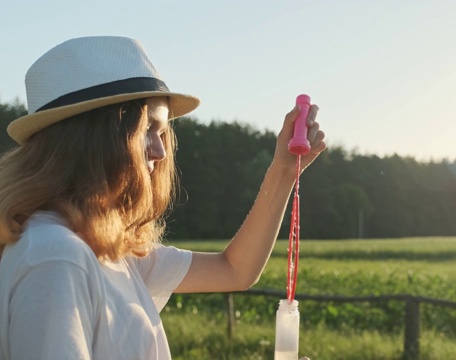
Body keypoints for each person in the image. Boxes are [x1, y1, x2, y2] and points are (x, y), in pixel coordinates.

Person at [0, 36, 325, 360]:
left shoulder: (109, 250)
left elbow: (233, 269)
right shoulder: (57, 256)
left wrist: (284, 172)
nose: (161, 150)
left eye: (163, 132)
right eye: (147, 129)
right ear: (93, 139)